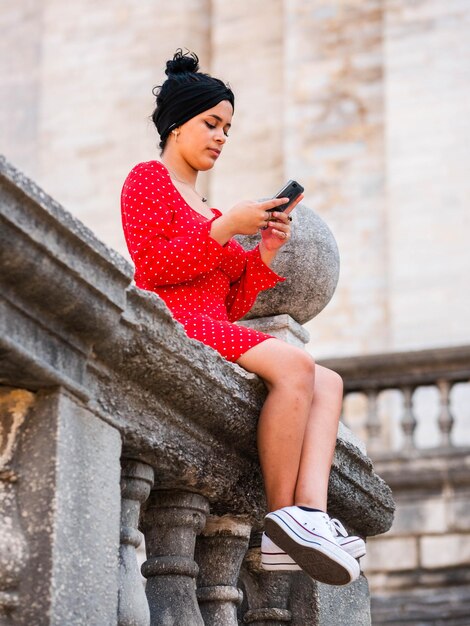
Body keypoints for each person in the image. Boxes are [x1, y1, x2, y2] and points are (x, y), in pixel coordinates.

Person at [121, 49, 365, 586]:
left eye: (227, 128)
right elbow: (155, 268)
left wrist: (268, 251)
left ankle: (312, 516)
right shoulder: (147, 180)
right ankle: (285, 522)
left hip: (212, 324)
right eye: (211, 124)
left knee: (328, 381)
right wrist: (227, 225)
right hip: (179, 324)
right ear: (176, 124)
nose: (220, 138)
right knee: (298, 369)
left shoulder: (207, 206)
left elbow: (232, 304)